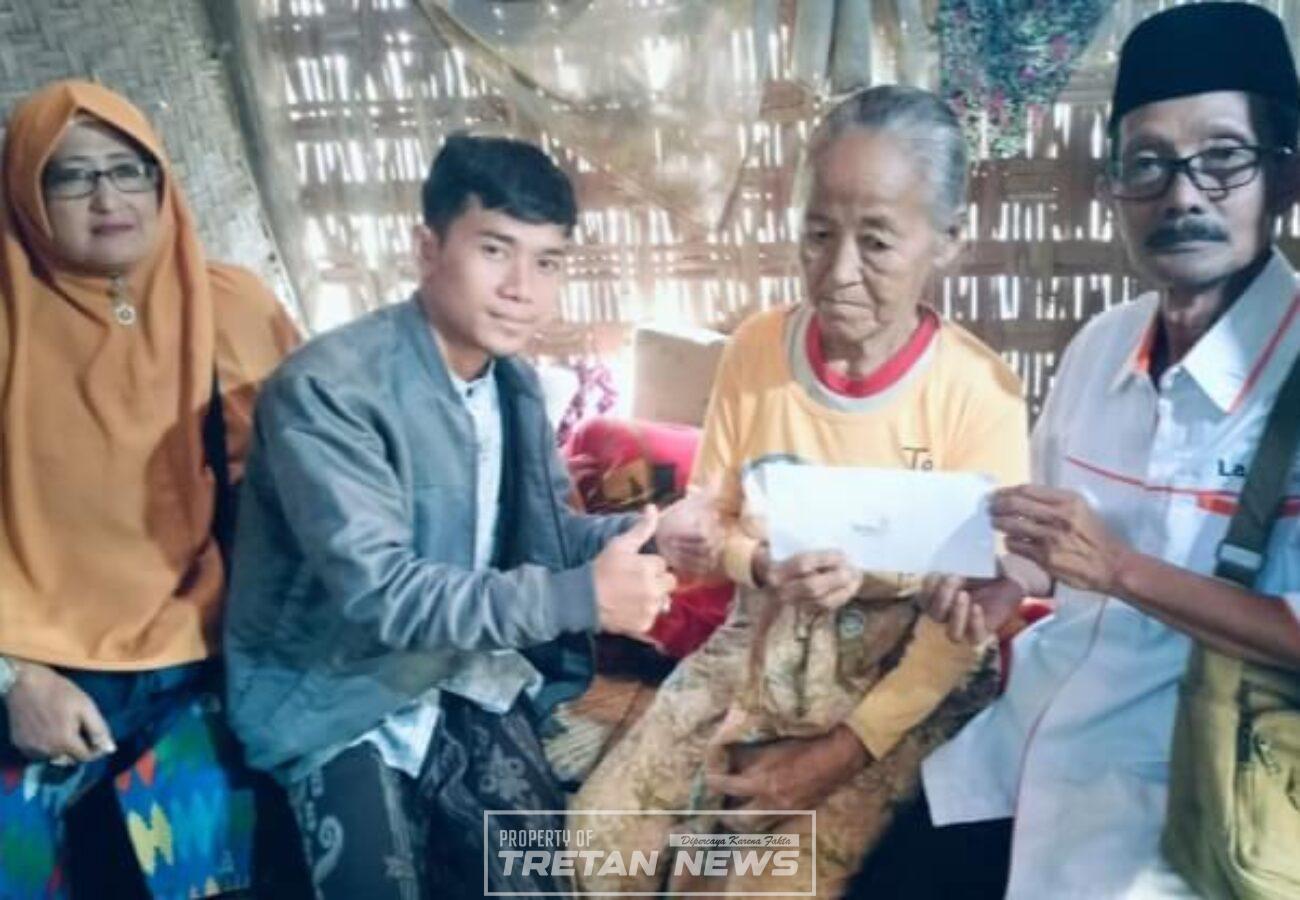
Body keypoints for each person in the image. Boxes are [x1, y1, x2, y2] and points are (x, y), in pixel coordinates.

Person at [847, 4, 1300, 897]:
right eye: (1147, 163)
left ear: (1286, 173)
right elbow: (1046, 552)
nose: (1183, 195)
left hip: (1195, 788)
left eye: (1223, 158)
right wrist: (1005, 585)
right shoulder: (1101, 346)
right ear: (1116, 188)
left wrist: (1122, 569)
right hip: (1022, 744)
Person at [223, 133, 717, 899]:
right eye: (495, 250)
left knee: (536, 883)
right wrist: (580, 597)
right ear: (428, 248)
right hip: (337, 695)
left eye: (547, 262)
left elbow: (542, 537)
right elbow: (384, 594)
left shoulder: (512, 384)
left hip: (464, 673)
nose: (522, 288)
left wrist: (653, 536)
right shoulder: (329, 391)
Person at [569, 84, 1029, 899]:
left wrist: (837, 754)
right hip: (758, 643)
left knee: (764, 888)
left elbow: (964, 627)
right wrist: (747, 559)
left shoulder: (979, 395)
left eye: (876, 241)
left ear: (947, 240)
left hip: (901, 681)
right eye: (818, 234)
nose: (837, 271)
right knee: (594, 854)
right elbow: (713, 518)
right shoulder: (755, 350)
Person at [0, 80, 300, 898]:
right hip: (38, 670)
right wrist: (15, 679)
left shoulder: (230, 304)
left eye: (130, 169)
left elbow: (312, 478)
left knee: (214, 875)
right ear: (25, 191)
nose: (109, 198)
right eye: (71, 175)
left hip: (207, 658)